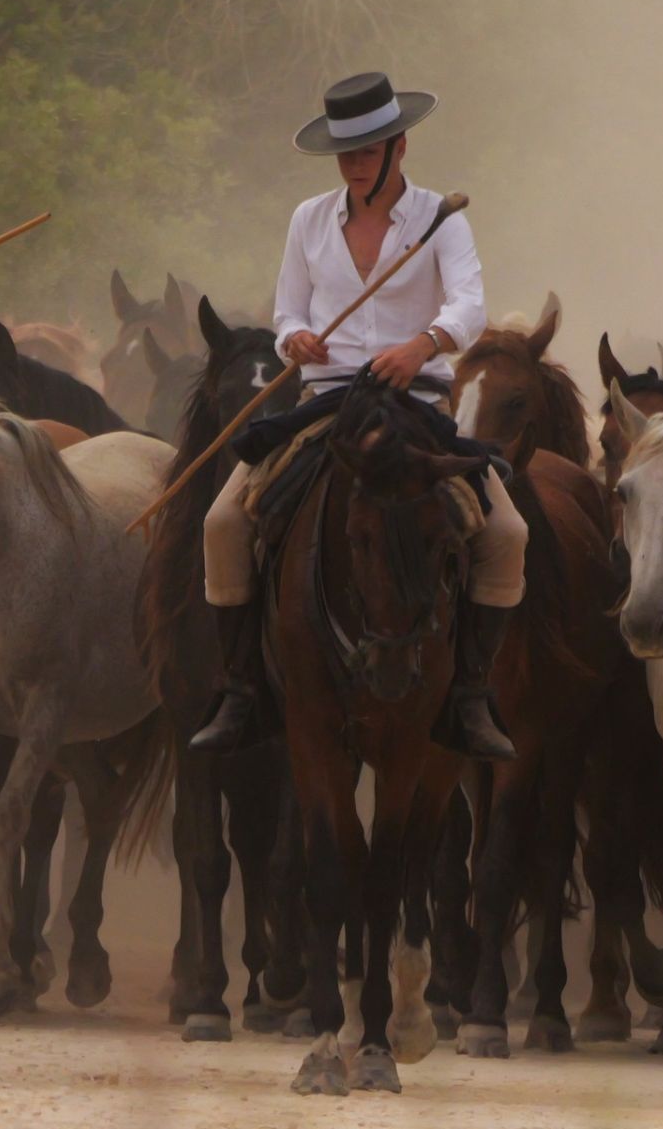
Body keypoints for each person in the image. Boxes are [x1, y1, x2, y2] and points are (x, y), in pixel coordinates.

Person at [189, 72, 525, 761]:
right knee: (222, 522)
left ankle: (469, 693)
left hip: (416, 403)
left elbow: (469, 305)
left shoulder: (443, 218)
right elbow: (287, 310)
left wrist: (423, 343)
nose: (355, 163)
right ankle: (242, 690)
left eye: (368, 150)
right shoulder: (307, 219)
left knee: (508, 531)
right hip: (329, 402)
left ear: (400, 146)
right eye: (346, 153)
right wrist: (294, 341)